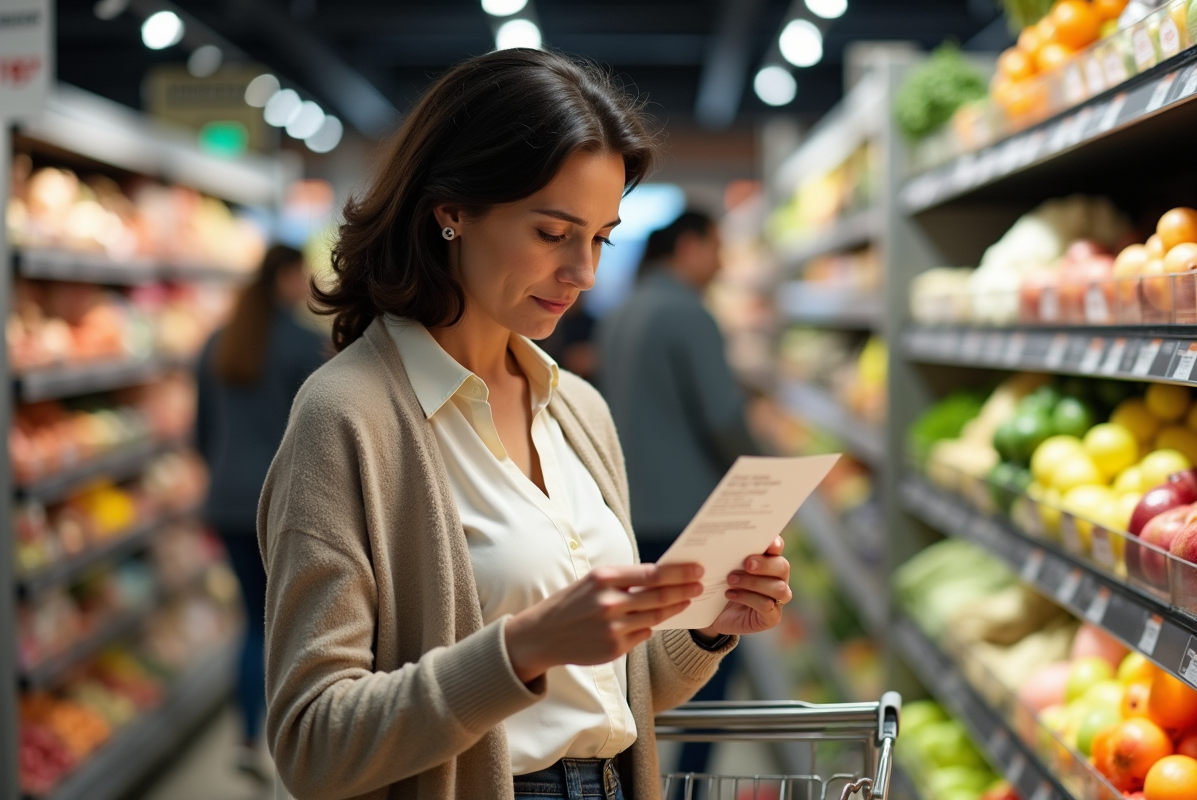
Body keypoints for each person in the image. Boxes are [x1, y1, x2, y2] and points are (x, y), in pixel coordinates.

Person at [258, 49, 794, 800]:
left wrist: (706, 626)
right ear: (451, 210)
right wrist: (521, 650)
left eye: (601, 237)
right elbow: (313, 742)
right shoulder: (348, 417)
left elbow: (609, 696)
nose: (586, 273)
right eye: (553, 233)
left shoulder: (577, 408)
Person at [596, 210, 762, 778]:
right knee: (701, 664)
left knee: (636, 666)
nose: (722, 262)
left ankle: (643, 774)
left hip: (627, 514)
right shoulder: (688, 313)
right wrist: (770, 479)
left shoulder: (621, 310)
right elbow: (723, 419)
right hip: (692, 520)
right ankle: (685, 781)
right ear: (689, 246)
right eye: (717, 246)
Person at [194, 243, 327, 780]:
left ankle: (248, 738)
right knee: (288, 624)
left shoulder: (214, 344)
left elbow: (200, 434)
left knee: (253, 622)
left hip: (225, 502)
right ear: (290, 277)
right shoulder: (304, 344)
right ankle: (289, 739)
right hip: (282, 504)